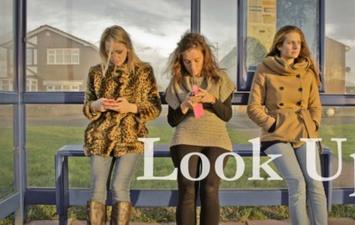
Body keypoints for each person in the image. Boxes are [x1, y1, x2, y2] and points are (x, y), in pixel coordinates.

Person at [247, 25, 328, 225]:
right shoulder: (265, 68)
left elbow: (315, 106)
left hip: (304, 131)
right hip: (276, 134)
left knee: (315, 183)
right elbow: (253, 106)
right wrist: (272, 124)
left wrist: (314, 123)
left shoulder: (307, 72)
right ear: (279, 45)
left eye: (298, 43)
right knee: (297, 182)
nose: (295, 47)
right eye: (290, 42)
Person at [82, 25, 161, 225]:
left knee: (119, 187)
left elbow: (155, 107)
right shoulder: (96, 72)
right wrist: (96, 105)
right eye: (109, 52)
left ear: (128, 47)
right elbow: (86, 106)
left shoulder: (143, 71)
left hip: (130, 138)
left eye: (119, 51)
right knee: (97, 188)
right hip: (100, 137)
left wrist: (131, 107)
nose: (115, 57)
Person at [165, 32, 235, 225]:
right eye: (187, 61)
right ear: (181, 60)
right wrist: (185, 106)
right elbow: (172, 120)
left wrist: (212, 100)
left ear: (205, 55)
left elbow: (227, 115)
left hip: (217, 138)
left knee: (210, 188)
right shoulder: (177, 82)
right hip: (185, 136)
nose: (192, 66)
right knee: (187, 188)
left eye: (196, 60)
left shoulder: (221, 79)